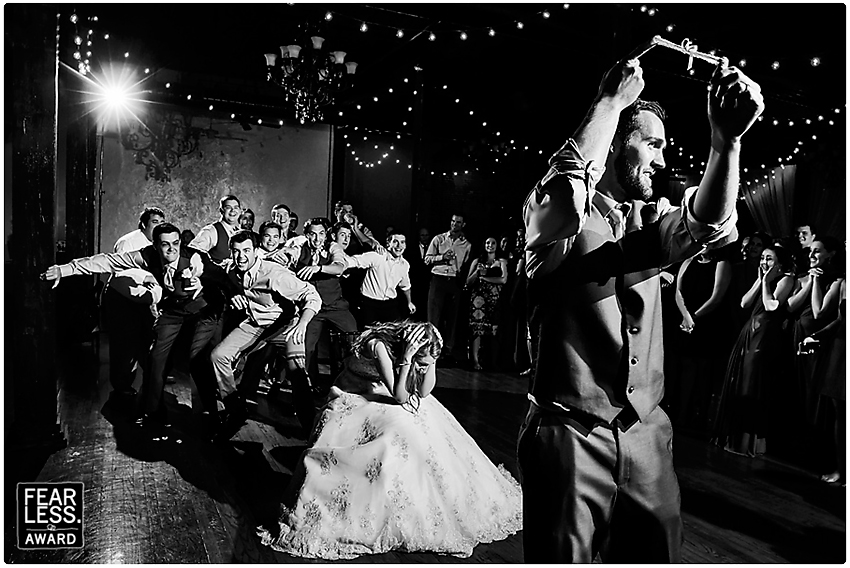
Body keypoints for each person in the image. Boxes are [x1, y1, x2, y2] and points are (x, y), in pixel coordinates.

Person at [518, 50, 763, 562]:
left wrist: (726, 142)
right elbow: (565, 193)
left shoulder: (657, 217)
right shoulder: (551, 219)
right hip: (569, 434)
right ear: (613, 145)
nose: (663, 158)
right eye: (650, 143)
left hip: (648, 434)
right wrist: (609, 102)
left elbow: (712, 225)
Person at [257, 321, 522, 560]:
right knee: (396, 430)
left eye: (427, 362)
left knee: (429, 420)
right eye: (422, 361)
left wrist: (430, 364)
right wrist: (407, 360)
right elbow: (398, 395)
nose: (424, 366)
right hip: (358, 394)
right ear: (407, 348)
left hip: (392, 389)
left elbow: (424, 391)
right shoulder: (379, 346)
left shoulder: (421, 355)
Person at [41, 223, 238, 431]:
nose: (172, 249)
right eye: (165, 244)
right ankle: (153, 412)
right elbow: (108, 261)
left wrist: (216, 289)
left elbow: (226, 280)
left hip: (203, 311)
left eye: (176, 243)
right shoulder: (146, 256)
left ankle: (215, 414)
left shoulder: (196, 259)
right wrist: (65, 269)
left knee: (196, 359)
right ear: (154, 245)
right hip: (173, 312)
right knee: (155, 358)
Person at [211, 231, 322, 440]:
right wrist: (230, 293)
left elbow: (312, 296)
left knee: (297, 375)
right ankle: (236, 411)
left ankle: (312, 432)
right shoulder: (231, 268)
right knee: (218, 356)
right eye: (236, 251)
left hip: (285, 326)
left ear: (255, 252)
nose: (241, 256)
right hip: (255, 325)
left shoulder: (275, 274)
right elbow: (214, 273)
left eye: (246, 251)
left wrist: (303, 323)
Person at [711, 245, 795, 456]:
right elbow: (744, 302)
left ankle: (752, 443)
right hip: (750, 331)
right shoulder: (763, 279)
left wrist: (766, 282)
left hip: (766, 335)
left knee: (753, 383)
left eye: (769, 258)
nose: (763, 262)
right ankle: (735, 439)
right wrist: (760, 280)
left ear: (779, 262)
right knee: (740, 381)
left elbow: (771, 306)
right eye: (763, 258)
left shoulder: (785, 279)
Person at [273, 218, 358, 377]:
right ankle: (308, 383)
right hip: (311, 309)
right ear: (306, 235)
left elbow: (340, 267)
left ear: (326, 235)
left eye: (321, 234)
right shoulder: (299, 246)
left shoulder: (333, 247)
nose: (317, 239)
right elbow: (290, 253)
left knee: (352, 337)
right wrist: (285, 255)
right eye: (312, 234)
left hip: (335, 305)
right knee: (305, 346)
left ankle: (348, 379)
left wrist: (318, 268)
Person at [103, 206, 165, 408]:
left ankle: (149, 381)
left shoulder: (157, 245)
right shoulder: (128, 241)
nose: (158, 225)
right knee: (124, 344)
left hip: (143, 300)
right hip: (122, 298)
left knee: (146, 339)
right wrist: (144, 276)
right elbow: (120, 270)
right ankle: (121, 386)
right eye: (155, 222)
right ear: (144, 223)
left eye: (161, 222)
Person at [672, 247, 734, 430]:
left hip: (708, 324)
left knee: (704, 373)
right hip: (686, 322)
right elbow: (678, 291)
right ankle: (681, 415)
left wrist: (694, 318)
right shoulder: (688, 261)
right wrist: (686, 316)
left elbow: (716, 297)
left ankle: (699, 420)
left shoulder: (722, 264)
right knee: (685, 369)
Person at [788, 236, 843, 426]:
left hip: (817, 343)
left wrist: (817, 282)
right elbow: (790, 307)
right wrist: (811, 280)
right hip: (798, 338)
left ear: (831, 254)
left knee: (810, 389)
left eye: (817, 251)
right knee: (795, 386)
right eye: (810, 250)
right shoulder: (805, 277)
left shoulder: (837, 282)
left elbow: (818, 312)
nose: (811, 254)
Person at [802, 278, 846, 485]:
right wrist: (818, 335)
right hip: (841, 347)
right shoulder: (845, 282)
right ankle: (843, 469)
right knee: (841, 413)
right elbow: (841, 319)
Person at [425, 214, 472, 362]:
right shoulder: (438, 239)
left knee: (452, 318)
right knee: (433, 316)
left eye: (458, 222)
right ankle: (431, 348)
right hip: (438, 279)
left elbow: (465, 265)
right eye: (453, 221)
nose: (455, 224)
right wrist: (441, 257)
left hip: (453, 281)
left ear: (463, 224)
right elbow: (427, 259)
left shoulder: (467, 245)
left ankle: (448, 351)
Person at [347, 233, 415, 326]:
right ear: (388, 243)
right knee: (370, 335)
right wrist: (339, 264)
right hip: (369, 304)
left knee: (394, 333)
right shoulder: (377, 256)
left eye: (402, 242)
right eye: (395, 242)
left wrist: (409, 302)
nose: (399, 246)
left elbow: (405, 286)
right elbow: (354, 261)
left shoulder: (405, 265)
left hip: (390, 305)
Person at [465, 237, 508, 370]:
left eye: (493, 243)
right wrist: (477, 273)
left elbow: (503, 280)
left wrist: (484, 278)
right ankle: (475, 361)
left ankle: (492, 361)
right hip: (478, 299)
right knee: (477, 329)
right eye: (488, 243)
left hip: (494, 298)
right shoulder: (477, 261)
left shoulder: (501, 262)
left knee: (493, 329)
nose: (490, 245)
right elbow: (468, 281)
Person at [190, 194, 243, 265]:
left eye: (236, 207)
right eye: (228, 207)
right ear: (221, 210)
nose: (233, 210)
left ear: (239, 210)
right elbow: (192, 252)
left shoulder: (239, 232)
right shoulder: (211, 231)